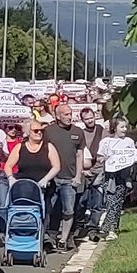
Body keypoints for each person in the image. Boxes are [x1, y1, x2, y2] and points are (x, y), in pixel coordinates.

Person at [43, 104, 85, 250]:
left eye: (70, 114)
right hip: (52, 178)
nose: (69, 117)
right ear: (58, 116)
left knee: (69, 210)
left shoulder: (78, 132)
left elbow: (80, 155)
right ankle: (50, 237)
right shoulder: (48, 131)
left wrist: (78, 175)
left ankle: (64, 239)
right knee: (50, 209)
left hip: (70, 178)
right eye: (65, 114)